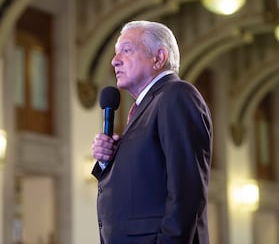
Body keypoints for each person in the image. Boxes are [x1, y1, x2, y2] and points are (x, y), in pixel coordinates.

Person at [91, 20, 213, 244]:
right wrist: (107, 162)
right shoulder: (146, 107)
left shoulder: (177, 95)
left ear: (158, 58)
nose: (114, 61)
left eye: (126, 51)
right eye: (116, 53)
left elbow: (186, 193)